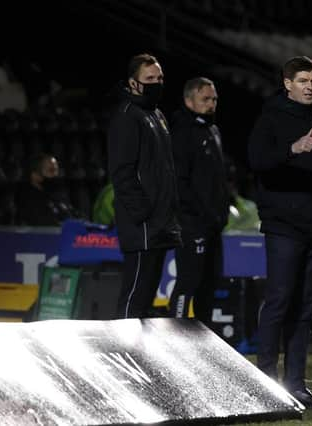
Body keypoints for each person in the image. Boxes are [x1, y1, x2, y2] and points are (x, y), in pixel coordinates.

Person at [248, 56, 312, 410]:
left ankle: (296, 386)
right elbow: (257, 161)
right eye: (303, 80)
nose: (310, 86)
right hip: (285, 225)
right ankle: (266, 384)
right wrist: (292, 150)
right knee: (279, 301)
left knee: (304, 307)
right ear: (287, 83)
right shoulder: (270, 118)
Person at [107, 53, 181, 319]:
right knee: (134, 297)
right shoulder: (127, 116)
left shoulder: (156, 114)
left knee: (146, 300)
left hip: (159, 223)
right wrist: (144, 214)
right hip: (143, 226)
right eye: (150, 78)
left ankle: (136, 357)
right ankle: (120, 355)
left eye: (160, 77)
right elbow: (122, 172)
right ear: (133, 83)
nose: (157, 82)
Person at [168, 76, 230, 320]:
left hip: (213, 224)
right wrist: (202, 214)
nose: (212, 103)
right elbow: (180, 183)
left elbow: (217, 181)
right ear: (189, 101)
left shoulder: (212, 130)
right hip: (192, 224)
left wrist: (221, 212)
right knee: (188, 283)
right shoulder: (181, 133)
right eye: (205, 99)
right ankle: (174, 338)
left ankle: (205, 345)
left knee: (209, 285)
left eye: (214, 99)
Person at [16, 153, 78, 226]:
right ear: (35, 175)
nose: (56, 175)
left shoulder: (58, 195)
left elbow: (75, 215)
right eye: (51, 171)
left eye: (57, 170)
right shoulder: (28, 199)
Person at [224, 160, 260, 232]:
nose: (229, 185)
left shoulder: (251, 207)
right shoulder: (210, 210)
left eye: (231, 180)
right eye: (228, 180)